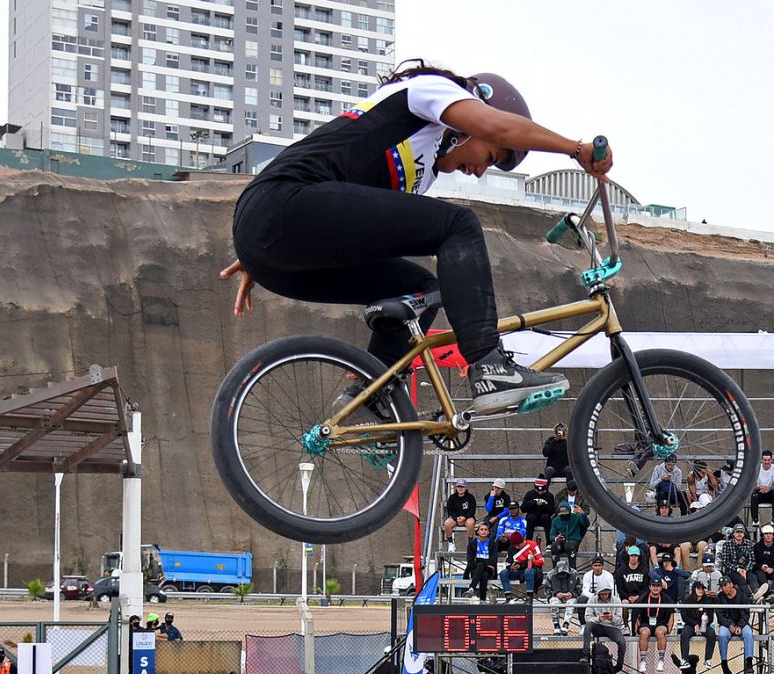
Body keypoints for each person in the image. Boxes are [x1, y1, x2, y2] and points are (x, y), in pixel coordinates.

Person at [224, 61, 611, 411]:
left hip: (282, 246)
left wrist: (271, 247)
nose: (478, 172)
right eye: (491, 158)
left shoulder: (422, 172)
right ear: (473, 115)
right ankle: (489, 364)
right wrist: (575, 149)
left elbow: (351, 214)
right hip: (279, 204)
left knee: (421, 289)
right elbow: (498, 126)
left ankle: (370, 398)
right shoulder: (427, 92)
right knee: (459, 225)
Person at [711, 577, 756, 674]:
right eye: (721, 586)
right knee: (722, 635)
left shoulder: (742, 596)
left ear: (731, 584)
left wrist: (739, 626)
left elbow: (746, 614)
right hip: (727, 624)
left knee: (748, 633)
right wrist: (729, 625)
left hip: (741, 624)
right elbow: (720, 616)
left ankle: (749, 662)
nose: (723, 588)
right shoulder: (719, 597)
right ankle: (724, 663)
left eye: (725, 585)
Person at [584, 586, 627, 674]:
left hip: (612, 627)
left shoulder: (616, 600)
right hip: (598, 625)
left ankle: (619, 666)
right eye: (602, 594)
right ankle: (586, 654)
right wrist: (598, 619)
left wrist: (612, 618)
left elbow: (620, 620)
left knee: (621, 642)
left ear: (610, 593)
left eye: (606, 594)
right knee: (588, 626)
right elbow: (587, 618)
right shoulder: (592, 600)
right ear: (598, 594)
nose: (604, 596)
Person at [633, 579, 674, 673]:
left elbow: (671, 615)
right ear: (649, 587)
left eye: (658, 586)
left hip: (660, 623)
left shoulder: (667, 599)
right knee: (644, 633)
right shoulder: (642, 598)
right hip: (646, 623)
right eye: (653, 585)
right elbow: (637, 615)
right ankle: (643, 660)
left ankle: (661, 660)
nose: (655, 588)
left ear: (661, 587)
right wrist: (635, 629)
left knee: (660, 633)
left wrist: (669, 630)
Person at [677, 580, 717, 673]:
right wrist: (694, 624)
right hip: (691, 625)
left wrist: (703, 623)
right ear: (694, 589)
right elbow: (684, 616)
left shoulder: (708, 602)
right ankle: (685, 660)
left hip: (704, 625)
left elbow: (710, 618)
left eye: (702, 588)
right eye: (698, 588)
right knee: (685, 634)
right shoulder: (687, 601)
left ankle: (708, 659)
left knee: (711, 633)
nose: (701, 590)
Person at [498, 531, 544, 599]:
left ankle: (529, 596)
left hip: (531, 571)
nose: (516, 547)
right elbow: (507, 563)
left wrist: (533, 561)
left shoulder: (533, 545)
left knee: (528, 571)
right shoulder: (511, 548)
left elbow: (541, 561)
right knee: (503, 573)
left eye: (518, 545)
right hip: (518, 572)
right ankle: (508, 596)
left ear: (523, 541)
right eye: (514, 545)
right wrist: (511, 567)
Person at [544, 556, 580, 634]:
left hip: (570, 597)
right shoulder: (550, 574)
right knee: (553, 603)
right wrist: (556, 594)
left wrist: (572, 594)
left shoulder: (574, 574)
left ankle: (566, 625)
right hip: (556, 597)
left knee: (571, 603)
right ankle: (556, 625)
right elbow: (547, 590)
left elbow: (579, 589)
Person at [466, 521, 500, 600]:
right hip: (476, 569)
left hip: (490, 570)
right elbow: (470, 561)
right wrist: (484, 562)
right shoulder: (472, 543)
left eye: (485, 529)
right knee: (484, 575)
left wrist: (478, 560)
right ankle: (482, 600)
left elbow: (493, 561)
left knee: (481, 565)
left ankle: (472, 588)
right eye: (481, 529)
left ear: (488, 532)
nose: (483, 531)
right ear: (477, 531)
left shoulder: (493, 544)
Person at [751, 525, 774, 600]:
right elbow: (753, 562)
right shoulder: (757, 547)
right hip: (760, 570)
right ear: (763, 536)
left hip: (773, 570)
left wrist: (773, 569)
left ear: (773, 535)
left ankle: (772, 593)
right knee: (760, 575)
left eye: (770, 534)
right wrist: (761, 567)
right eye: (766, 534)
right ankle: (766, 595)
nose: (768, 536)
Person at [717, 525, 754, 591]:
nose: (739, 534)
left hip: (746, 569)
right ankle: (749, 597)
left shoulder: (749, 544)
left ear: (744, 534)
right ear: (733, 533)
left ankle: (757, 592)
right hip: (732, 571)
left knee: (752, 577)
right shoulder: (727, 544)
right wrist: (738, 569)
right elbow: (725, 562)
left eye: (741, 532)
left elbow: (752, 560)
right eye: (737, 532)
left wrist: (746, 570)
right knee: (740, 579)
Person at [519, 477, 556, 542]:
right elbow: (523, 509)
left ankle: (549, 543)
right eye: (538, 491)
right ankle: (529, 542)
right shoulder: (530, 494)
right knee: (530, 518)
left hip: (544, 519)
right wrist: (533, 503)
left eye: (542, 491)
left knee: (547, 517)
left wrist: (544, 505)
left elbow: (552, 511)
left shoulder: (549, 496)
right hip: (532, 518)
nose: (540, 493)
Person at [750, 451, 774, 525]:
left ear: (771, 460)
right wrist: (759, 487)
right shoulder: (757, 468)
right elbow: (752, 486)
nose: (766, 462)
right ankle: (755, 520)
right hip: (759, 492)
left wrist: (768, 489)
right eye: (765, 460)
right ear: (762, 460)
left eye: (768, 460)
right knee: (754, 495)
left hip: (770, 492)